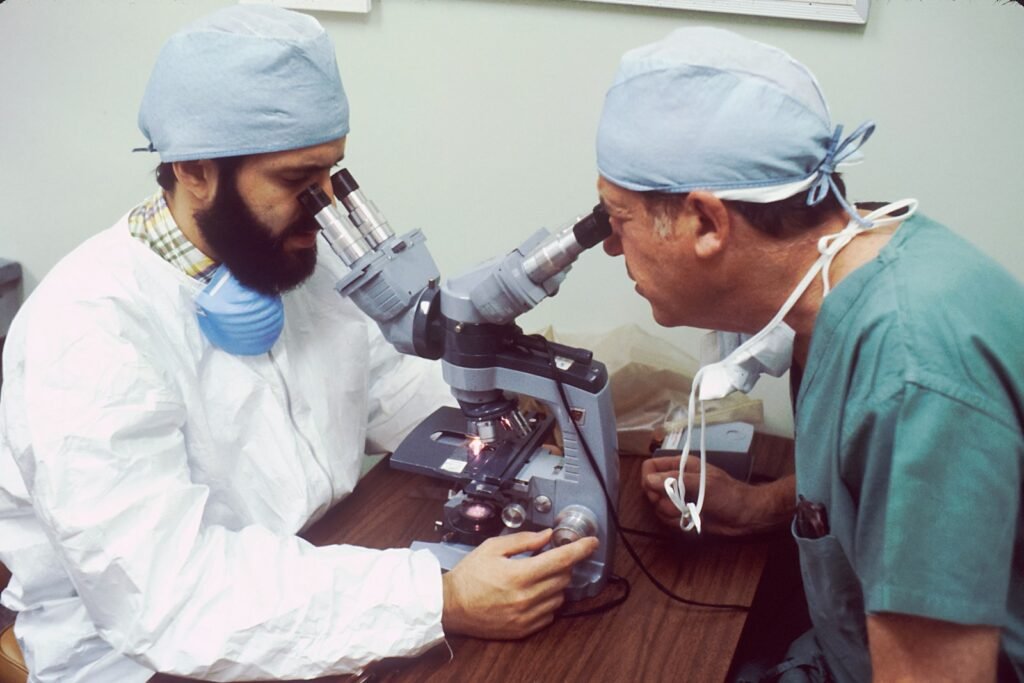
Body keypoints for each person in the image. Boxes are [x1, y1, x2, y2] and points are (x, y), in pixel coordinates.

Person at [0, 6, 596, 682]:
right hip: (137, 653)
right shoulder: (85, 332)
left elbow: (398, 390)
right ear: (195, 168)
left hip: (317, 570)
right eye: (295, 183)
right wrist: (439, 595)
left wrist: (520, 419)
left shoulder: (286, 260)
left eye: (331, 178)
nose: (322, 212)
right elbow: (171, 596)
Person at [595, 27, 1023, 682]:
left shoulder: (912, 370)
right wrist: (760, 507)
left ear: (708, 222)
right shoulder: (851, 265)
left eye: (617, 219)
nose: (611, 249)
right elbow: (883, 489)